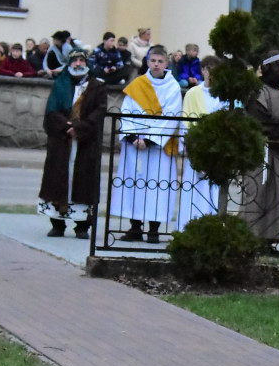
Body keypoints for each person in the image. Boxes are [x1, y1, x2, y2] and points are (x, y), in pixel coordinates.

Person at [111, 45, 182, 244]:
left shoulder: (173, 87)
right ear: (148, 62)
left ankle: (154, 230)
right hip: (135, 146)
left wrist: (150, 140)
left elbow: (171, 117)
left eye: (160, 61)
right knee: (134, 184)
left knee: (158, 188)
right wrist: (134, 138)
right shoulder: (138, 84)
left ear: (166, 63)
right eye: (153, 61)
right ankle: (135, 227)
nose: (156, 65)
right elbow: (127, 111)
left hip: (158, 149)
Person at [37, 49, 107, 239]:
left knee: (84, 181)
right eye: (74, 61)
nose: (78, 64)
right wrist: (66, 127)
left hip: (85, 144)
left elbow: (99, 112)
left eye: (81, 60)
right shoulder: (60, 84)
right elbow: (52, 111)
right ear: (69, 63)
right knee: (58, 178)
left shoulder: (97, 86)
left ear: (87, 63)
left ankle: (82, 226)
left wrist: (80, 128)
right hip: (61, 141)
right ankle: (57, 224)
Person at [241, 51, 279, 253]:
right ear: (271, 67)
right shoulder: (257, 92)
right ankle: (249, 240)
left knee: (277, 196)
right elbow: (260, 121)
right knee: (255, 194)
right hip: (260, 152)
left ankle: (269, 241)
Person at [176, 55, 228, 230]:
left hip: (218, 153)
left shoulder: (225, 95)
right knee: (194, 192)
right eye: (208, 69)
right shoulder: (192, 94)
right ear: (203, 70)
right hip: (197, 151)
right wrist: (194, 148)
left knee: (214, 192)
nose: (211, 74)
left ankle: (213, 229)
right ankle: (189, 228)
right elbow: (185, 124)